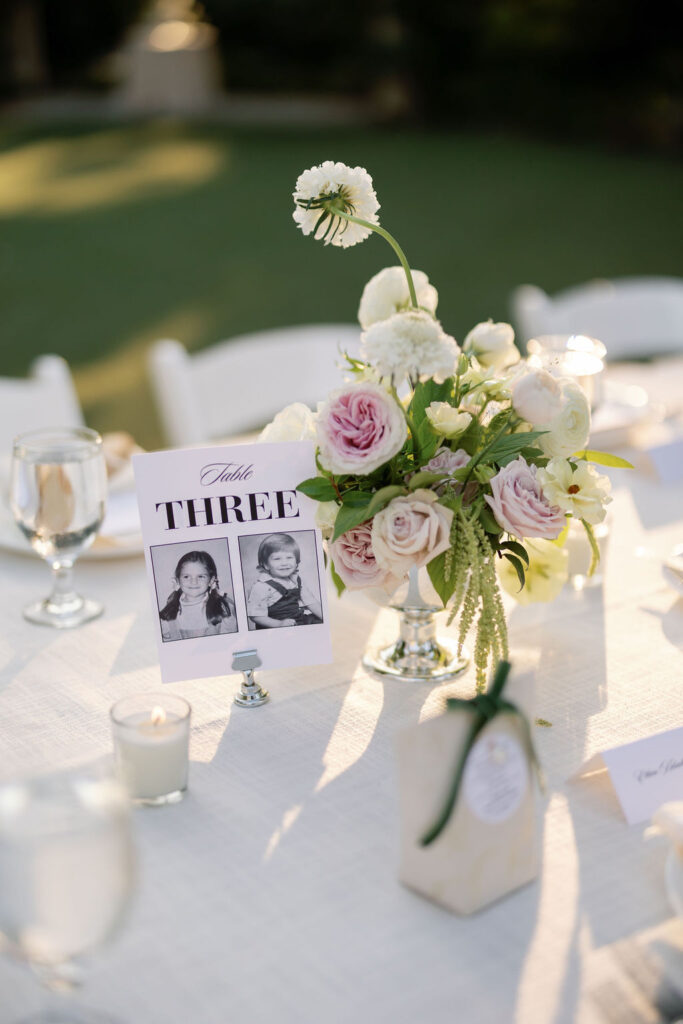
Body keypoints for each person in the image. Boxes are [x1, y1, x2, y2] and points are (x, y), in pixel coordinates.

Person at [247, 533, 323, 629]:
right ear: (266, 564)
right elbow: (255, 616)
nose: (284, 563)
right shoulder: (261, 586)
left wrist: (326, 619)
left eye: (289, 557)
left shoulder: (296, 580)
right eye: (277, 559)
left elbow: (311, 602)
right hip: (274, 626)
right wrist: (279, 624)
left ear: (296, 562)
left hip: (297, 620)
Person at [160, 550, 236, 640]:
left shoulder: (223, 610)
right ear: (177, 581)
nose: (193, 582)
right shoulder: (168, 615)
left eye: (200, 576)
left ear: (211, 581)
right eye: (186, 576)